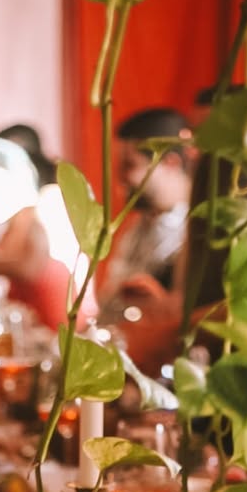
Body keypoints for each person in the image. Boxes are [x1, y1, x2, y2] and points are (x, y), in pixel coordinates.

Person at [0, 138, 90, 330]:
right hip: (34, 331)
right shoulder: (10, 231)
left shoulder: (36, 220)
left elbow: (25, 269)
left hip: (60, 334)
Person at [97, 107, 192, 328]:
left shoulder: (196, 230)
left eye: (130, 165)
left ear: (170, 163)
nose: (121, 179)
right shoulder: (139, 225)